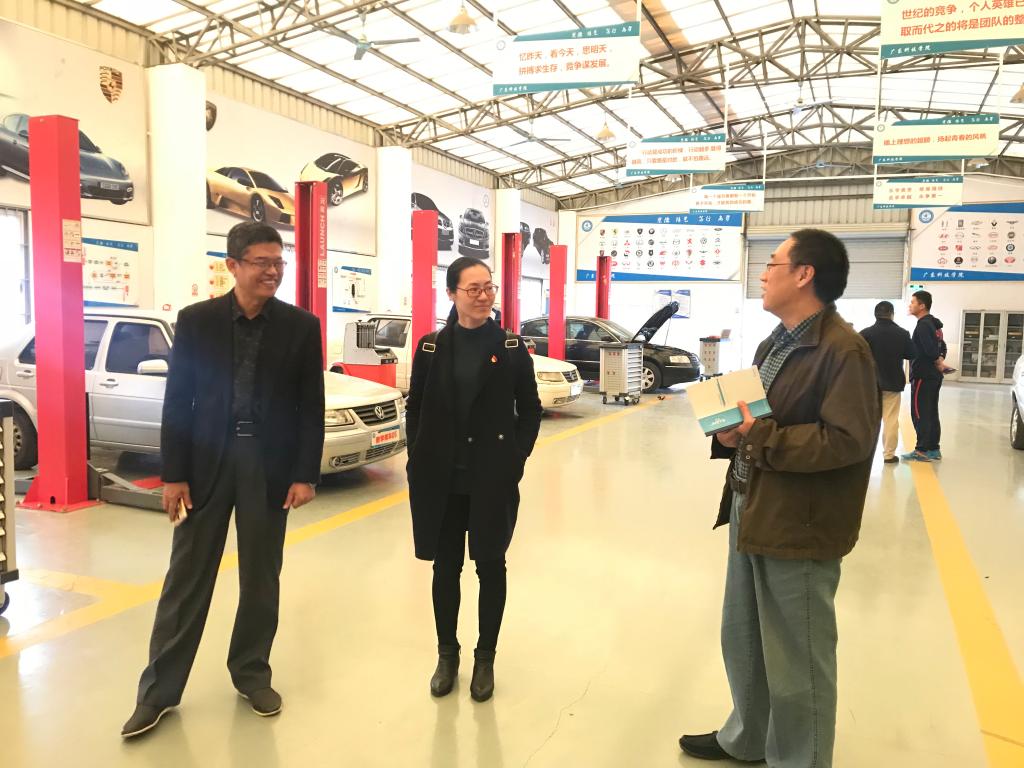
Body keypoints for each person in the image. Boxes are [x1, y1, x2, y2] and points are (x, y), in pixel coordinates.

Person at [679, 229, 880, 766]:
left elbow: (847, 441)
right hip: (752, 504)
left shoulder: (844, 350)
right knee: (743, 636)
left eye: (773, 263)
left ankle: (800, 759)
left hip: (800, 523)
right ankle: (748, 738)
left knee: (798, 656)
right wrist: (732, 434)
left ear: (804, 274)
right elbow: (759, 420)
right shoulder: (776, 343)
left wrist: (759, 437)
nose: (764, 273)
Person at [121, 222, 325, 737]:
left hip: (268, 466)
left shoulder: (300, 327)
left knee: (261, 577)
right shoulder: (197, 322)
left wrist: (305, 473)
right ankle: (158, 692)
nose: (273, 271)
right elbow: (179, 401)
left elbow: (310, 406)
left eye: (278, 262)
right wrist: (174, 475)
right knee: (187, 578)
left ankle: (252, 674)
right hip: (206, 464)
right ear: (232, 265)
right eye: (261, 262)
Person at [405, 256, 542, 703]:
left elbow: (531, 409)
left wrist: (516, 458)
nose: (484, 296)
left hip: (491, 478)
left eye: (489, 288)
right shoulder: (431, 347)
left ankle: (486, 658)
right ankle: (447, 655)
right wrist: (418, 455)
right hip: (441, 481)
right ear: (451, 294)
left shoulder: (512, 347)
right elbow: (415, 407)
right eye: (473, 289)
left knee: (490, 566)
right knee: (445, 568)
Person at [860, 301, 916, 464]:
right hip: (892, 382)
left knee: (868, 420)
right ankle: (889, 455)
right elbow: (911, 354)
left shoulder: (865, 334)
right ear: (891, 314)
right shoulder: (902, 333)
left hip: (869, 384)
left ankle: (863, 454)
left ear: (875, 314)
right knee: (890, 420)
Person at [904, 290, 946, 462]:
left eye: (913, 302)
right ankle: (933, 449)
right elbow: (942, 347)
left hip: (923, 375)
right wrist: (940, 359)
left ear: (922, 306)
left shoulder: (923, 325)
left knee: (919, 412)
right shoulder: (935, 325)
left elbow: (930, 350)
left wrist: (937, 360)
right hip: (934, 376)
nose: (910, 305)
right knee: (931, 412)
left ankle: (921, 449)